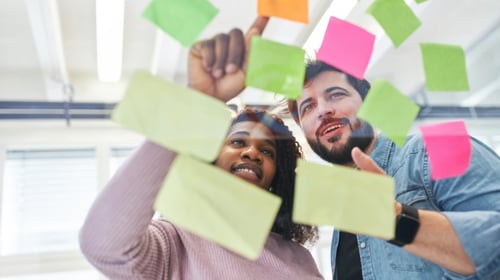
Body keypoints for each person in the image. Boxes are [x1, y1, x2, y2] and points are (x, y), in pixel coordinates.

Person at [188, 16, 500, 280]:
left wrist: (397, 219)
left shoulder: (434, 149)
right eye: (308, 107)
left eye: (336, 94)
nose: (322, 110)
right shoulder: (345, 218)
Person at [79, 109, 323, 278]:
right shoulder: (175, 239)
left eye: (267, 152)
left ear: (276, 178)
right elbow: (104, 245)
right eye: (238, 142)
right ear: (210, 159)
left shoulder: (298, 257)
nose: (252, 152)